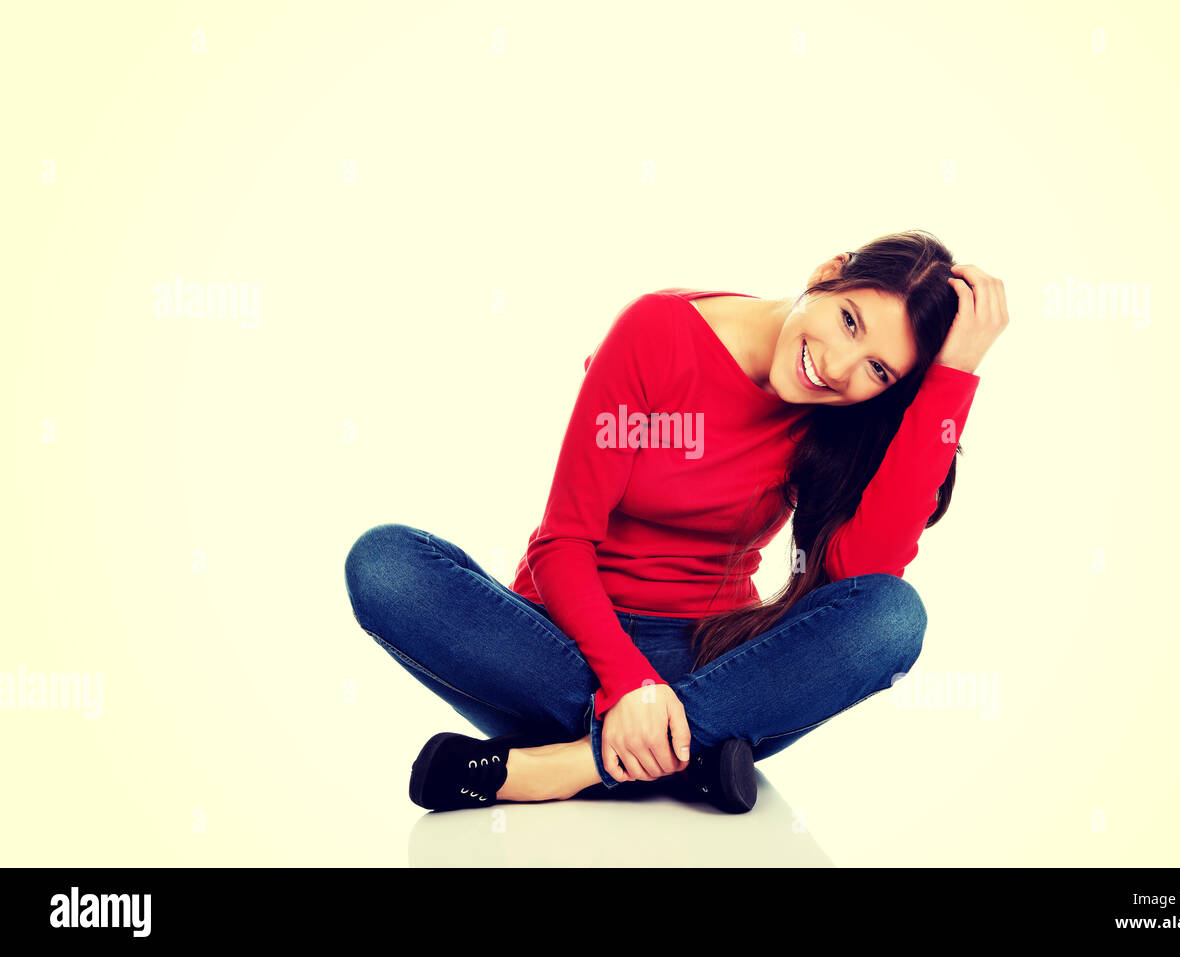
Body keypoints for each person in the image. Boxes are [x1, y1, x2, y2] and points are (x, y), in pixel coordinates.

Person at [344, 229, 1009, 813]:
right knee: (385, 564)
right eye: (850, 321)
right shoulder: (657, 332)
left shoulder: (831, 419)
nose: (835, 366)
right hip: (562, 645)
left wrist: (952, 378)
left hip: (709, 653)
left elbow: (859, 582)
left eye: (877, 369)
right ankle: (693, 750)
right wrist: (629, 684)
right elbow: (563, 542)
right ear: (827, 273)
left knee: (894, 616)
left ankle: (569, 764)